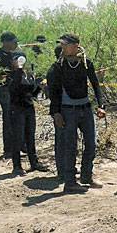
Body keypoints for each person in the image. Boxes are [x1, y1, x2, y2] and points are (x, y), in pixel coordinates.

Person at [49, 34, 106, 194]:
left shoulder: (86, 64)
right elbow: (53, 92)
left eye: (65, 44)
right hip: (67, 111)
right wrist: (56, 113)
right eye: (62, 44)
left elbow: (95, 84)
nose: (62, 47)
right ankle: (70, 182)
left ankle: (86, 176)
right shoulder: (57, 67)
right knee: (70, 147)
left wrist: (101, 105)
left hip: (85, 108)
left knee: (91, 144)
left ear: (75, 46)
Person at [7, 54, 49, 175]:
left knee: (30, 136)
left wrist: (39, 88)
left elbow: (31, 94)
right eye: (16, 59)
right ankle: (17, 166)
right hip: (16, 108)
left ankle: (34, 162)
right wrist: (18, 70)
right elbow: (14, 89)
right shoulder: (11, 75)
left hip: (28, 108)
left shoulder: (28, 75)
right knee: (18, 138)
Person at [0, 32, 24, 157]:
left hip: (16, 89)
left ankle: (20, 146)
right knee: (8, 118)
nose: (15, 44)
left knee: (18, 118)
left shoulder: (16, 54)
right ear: (5, 42)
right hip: (5, 89)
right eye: (13, 41)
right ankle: (9, 149)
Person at [45, 46, 66, 180]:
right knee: (61, 140)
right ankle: (62, 171)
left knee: (69, 141)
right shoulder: (54, 71)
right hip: (59, 109)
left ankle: (68, 168)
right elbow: (53, 94)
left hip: (69, 108)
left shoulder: (68, 68)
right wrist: (56, 112)